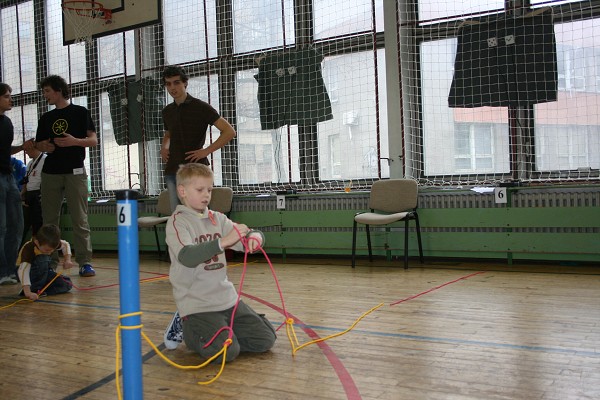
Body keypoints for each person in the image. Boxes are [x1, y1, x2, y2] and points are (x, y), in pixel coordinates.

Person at [163, 163, 276, 362]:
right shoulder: (178, 222)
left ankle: (222, 331)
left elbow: (247, 233)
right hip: (198, 304)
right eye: (200, 190)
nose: (206, 194)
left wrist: (255, 238)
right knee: (226, 352)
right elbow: (187, 256)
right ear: (182, 191)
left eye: (209, 189)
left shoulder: (218, 218)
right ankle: (187, 324)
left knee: (265, 339)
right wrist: (223, 241)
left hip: (226, 299)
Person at [28, 75, 97, 277]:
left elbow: (93, 140)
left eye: (47, 91)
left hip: (75, 172)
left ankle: (85, 262)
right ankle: (49, 261)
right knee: (49, 220)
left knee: (80, 218)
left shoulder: (80, 112)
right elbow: (39, 145)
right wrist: (43, 146)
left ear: (58, 90)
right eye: (43, 92)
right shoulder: (46, 118)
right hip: (50, 173)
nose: (45, 95)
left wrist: (75, 141)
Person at [161, 65, 236, 212]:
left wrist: (206, 151)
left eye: (176, 82)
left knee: (198, 215)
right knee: (177, 217)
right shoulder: (167, 111)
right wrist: (164, 146)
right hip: (172, 170)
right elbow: (169, 133)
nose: (172, 88)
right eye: (168, 84)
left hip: (196, 170)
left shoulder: (201, 107)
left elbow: (229, 131)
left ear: (185, 83)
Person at [0, 82, 25, 286]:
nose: (11, 99)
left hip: (8, 178)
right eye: (7, 96)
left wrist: (23, 147)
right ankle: (2, 271)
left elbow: (4, 151)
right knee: (1, 226)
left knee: (16, 224)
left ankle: (10, 269)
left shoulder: (7, 123)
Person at [16, 223, 73, 301]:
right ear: (37, 242)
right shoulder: (29, 248)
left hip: (43, 273)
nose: (50, 252)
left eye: (53, 249)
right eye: (47, 250)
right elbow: (23, 270)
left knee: (67, 283)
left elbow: (65, 245)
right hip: (28, 274)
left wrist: (68, 260)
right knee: (42, 259)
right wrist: (27, 292)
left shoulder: (50, 243)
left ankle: (41, 291)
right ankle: (32, 289)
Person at [21, 144, 46, 243]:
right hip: (29, 195)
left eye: (26, 150)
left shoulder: (45, 160)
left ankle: (39, 249)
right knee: (23, 224)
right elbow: (26, 181)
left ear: (32, 147)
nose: (25, 152)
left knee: (37, 224)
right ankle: (19, 250)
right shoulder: (30, 163)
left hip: (38, 194)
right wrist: (22, 195)